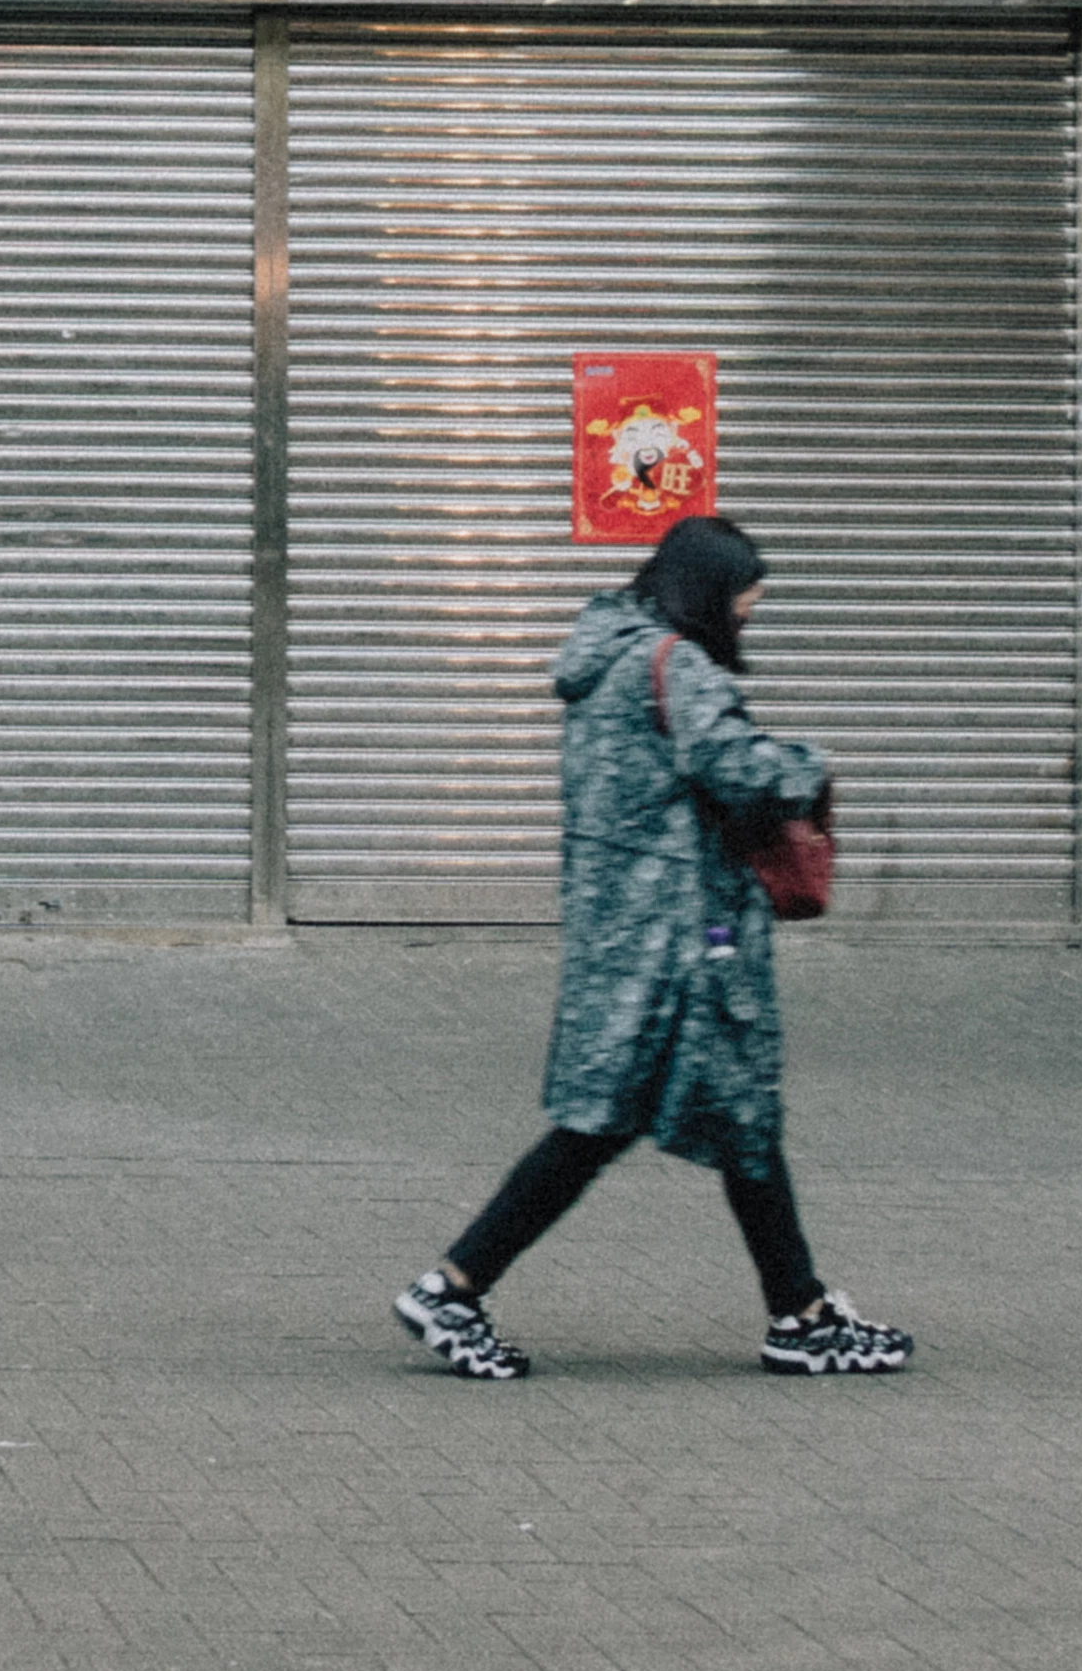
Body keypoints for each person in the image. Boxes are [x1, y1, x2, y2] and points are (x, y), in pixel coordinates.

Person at [391, 516, 913, 1382]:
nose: (744, 625)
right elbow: (739, 768)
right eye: (743, 610)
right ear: (709, 597)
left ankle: (800, 1309)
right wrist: (811, 763)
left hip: (620, 928)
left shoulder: (602, 660)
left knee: (718, 1121)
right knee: (620, 1125)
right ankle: (453, 1287)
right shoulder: (676, 666)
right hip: (682, 943)